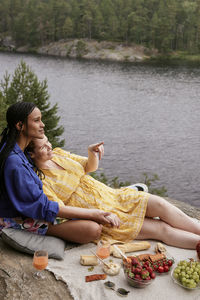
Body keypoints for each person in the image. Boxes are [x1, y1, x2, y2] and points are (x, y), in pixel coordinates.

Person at [27, 135, 200, 249]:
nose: (49, 146)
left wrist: (92, 153)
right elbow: (61, 211)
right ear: (32, 154)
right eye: (43, 147)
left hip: (114, 196)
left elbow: (88, 166)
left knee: (161, 205)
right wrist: (97, 215)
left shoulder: (58, 154)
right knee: (161, 229)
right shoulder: (39, 180)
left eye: (47, 141)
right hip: (103, 213)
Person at [0, 102, 121, 244]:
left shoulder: (13, 148)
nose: (42, 124)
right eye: (36, 120)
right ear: (20, 126)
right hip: (16, 219)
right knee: (92, 229)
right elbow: (43, 207)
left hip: (29, 210)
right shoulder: (14, 162)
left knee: (90, 220)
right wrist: (95, 214)